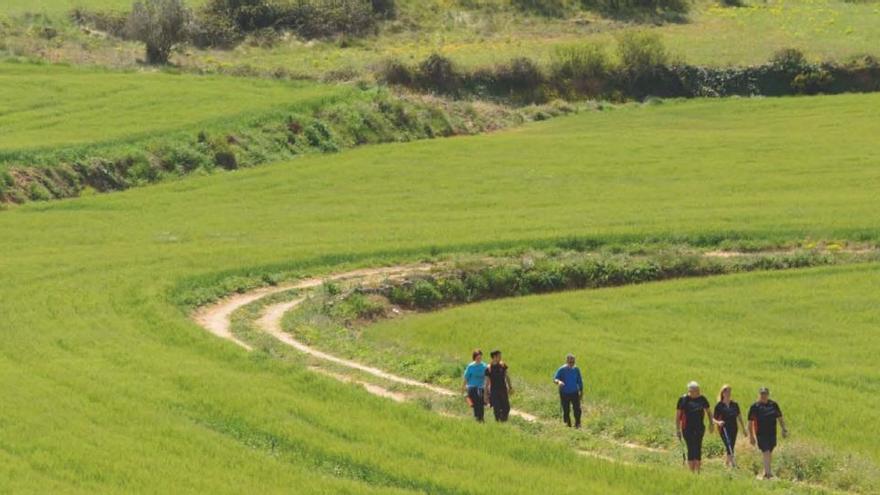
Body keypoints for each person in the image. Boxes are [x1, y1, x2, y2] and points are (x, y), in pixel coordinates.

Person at [675, 381, 715, 473]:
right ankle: (691, 471)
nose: (698, 392)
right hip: (687, 428)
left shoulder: (702, 399)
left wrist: (711, 424)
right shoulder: (683, 400)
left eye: (698, 390)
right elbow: (678, 416)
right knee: (691, 447)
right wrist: (677, 429)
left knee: (698, 447)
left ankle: (698, 470)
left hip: (699, 427)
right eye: (696, 390)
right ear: (690, 391)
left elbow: (709, 412)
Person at [749, 387, 788, 479]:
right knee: (766, 451)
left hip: (772, 433)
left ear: (768, 394)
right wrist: (751, 436)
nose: (763, 396)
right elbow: (750, 423)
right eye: (762, 394)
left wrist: (783, 429)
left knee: (770, 451)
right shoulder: (755, 407)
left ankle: (765, 471)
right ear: (759, 395)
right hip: (761, 433)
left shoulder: (773, 405)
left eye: (765, 394)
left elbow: (780, 418)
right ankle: (768, 474)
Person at [714, 384, 746, 468]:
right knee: (728, 444)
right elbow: (713, 419)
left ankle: (727, 463)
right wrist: (718, 422)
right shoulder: (719, 405)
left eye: (729, 391)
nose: (728, 393)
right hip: (723, 428)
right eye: (727, 391)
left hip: (734, 427)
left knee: (731, 445)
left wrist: (743, 428)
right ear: (723, 393)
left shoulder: (734, 404)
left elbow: (739, 416)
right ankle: (733, 464)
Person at [553, 354, 583, 428]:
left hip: (574, 392)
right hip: (564, 393)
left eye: (573, 362)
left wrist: (581, 391)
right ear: (567, 361)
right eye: (570, 362)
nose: (571, 364)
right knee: (566, 410)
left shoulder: (576, 369)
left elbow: (579, 381)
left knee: (577, 409)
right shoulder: (562, 369)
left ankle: (577, 424)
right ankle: (567, 425)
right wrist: (559, 382)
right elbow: (555, 379)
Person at [485, 349, 513, 422]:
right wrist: (485, 394)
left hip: (503, 390)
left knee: (507, 408)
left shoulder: (503, 365)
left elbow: (507, 376)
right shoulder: (489, 368)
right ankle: (498, 422)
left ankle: (503, 420)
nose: (500, 357)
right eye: (499, 356)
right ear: (494, 357)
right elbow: (487, 382)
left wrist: (510, 387)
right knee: (496, 408)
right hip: (494, 391)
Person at [462, 349, 489, 422]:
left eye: (480, 358)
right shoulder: (470, 366)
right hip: (472, 387)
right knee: (476, 403)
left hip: (481, 388)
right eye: (477, 358)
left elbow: (487, 378)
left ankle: (481, 418)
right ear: (474, 358)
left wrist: (488, 388)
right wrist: (463, 388)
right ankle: (478, 418)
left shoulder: (484, 366)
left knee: (481, 403)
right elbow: (466, 378)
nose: (479, 359)